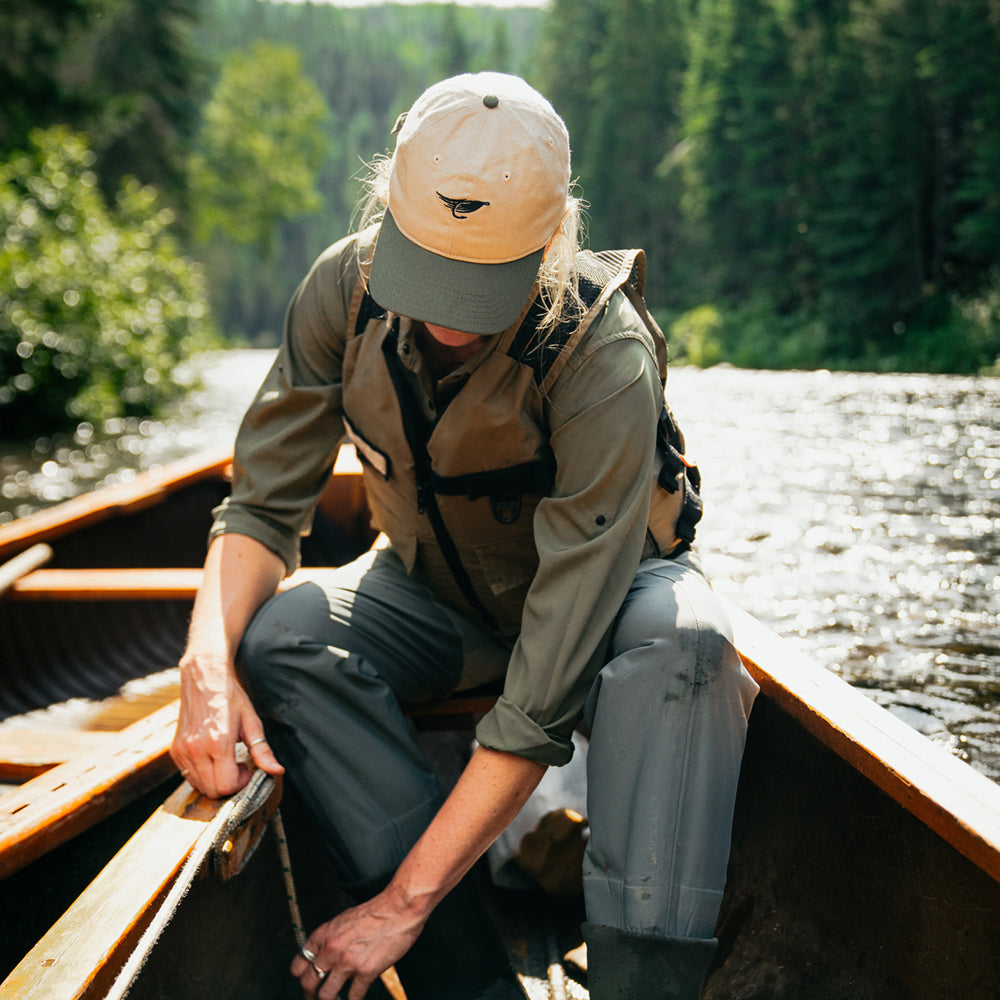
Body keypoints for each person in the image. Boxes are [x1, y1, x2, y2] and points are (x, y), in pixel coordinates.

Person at [170, 72, 759, 1000]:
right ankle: (465, 980)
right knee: (280, 637)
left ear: (553, 235)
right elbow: (261, 506)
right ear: (388, 210)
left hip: (602, 616)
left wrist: (398, 901)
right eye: (428, 271)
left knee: (689, 646)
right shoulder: (342, 289)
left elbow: (545, 689)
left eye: (480, 285)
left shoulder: (602, 352)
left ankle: (640, 984)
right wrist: (205, 667)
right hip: (439, 598)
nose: (448, 314)